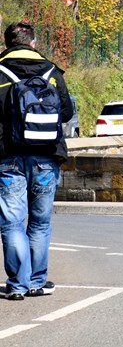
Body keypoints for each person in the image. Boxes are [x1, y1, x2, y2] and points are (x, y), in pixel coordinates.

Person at [0, 22, 73, 301]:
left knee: (12, 224)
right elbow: (65, 112)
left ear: (7, 43)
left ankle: (17, 285)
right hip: (45, 157)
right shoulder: (51, 71)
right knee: (40, 223)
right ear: (33, 42)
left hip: (8, 158)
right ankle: (36, 282)